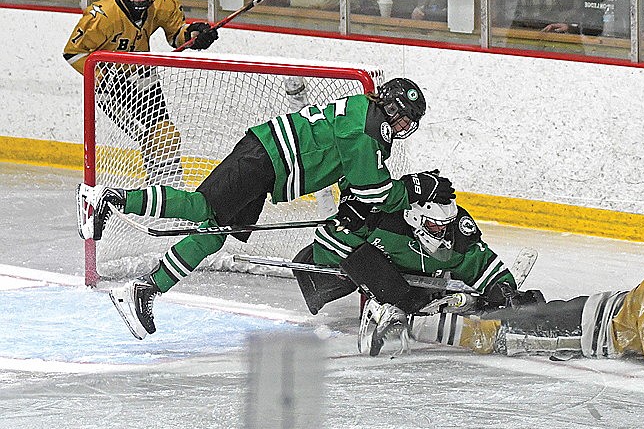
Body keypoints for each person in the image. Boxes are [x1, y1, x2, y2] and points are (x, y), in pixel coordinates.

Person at [76, 78, 456, 340]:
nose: (405, 125)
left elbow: (347, 170)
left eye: (411, 121)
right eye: (404, 116)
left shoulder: (364, 115)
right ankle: (108, 198)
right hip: (265, 158)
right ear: (388, 106)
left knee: (211, 236)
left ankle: (145, 290)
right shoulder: (365, 133)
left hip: (269, 159)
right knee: (201, 207)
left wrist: (350, 205)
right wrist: (418, 186)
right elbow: (378, 194)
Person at [410, 241, 644, 373]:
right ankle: (408, 325)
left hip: (589, 308)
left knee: (517, 317)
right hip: (584, 332)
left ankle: (489, 307)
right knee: (494, 337)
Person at [291, 199, 543, 355]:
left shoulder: (457, 231)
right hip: (366, 278)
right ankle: (383, 309)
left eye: (445, 224)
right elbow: (328, 239)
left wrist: (505, 290)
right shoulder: (382, 219)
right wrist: (379, 276)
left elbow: (481, 261)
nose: (442, 231)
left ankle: (419, 309)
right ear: (414, 219)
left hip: (422, 283)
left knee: (455, 302)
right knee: (367, 267)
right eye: (434, 226)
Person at [64, 0, 218, 186]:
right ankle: (163, 187)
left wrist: (194, 36)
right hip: (113, 87)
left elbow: (176, 36)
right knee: (154, 135)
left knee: (167, 133)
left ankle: (166, 186)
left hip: (145, 79)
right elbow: (73, 53)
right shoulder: (102, 16)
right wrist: (104, 79)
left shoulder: (163, 2)